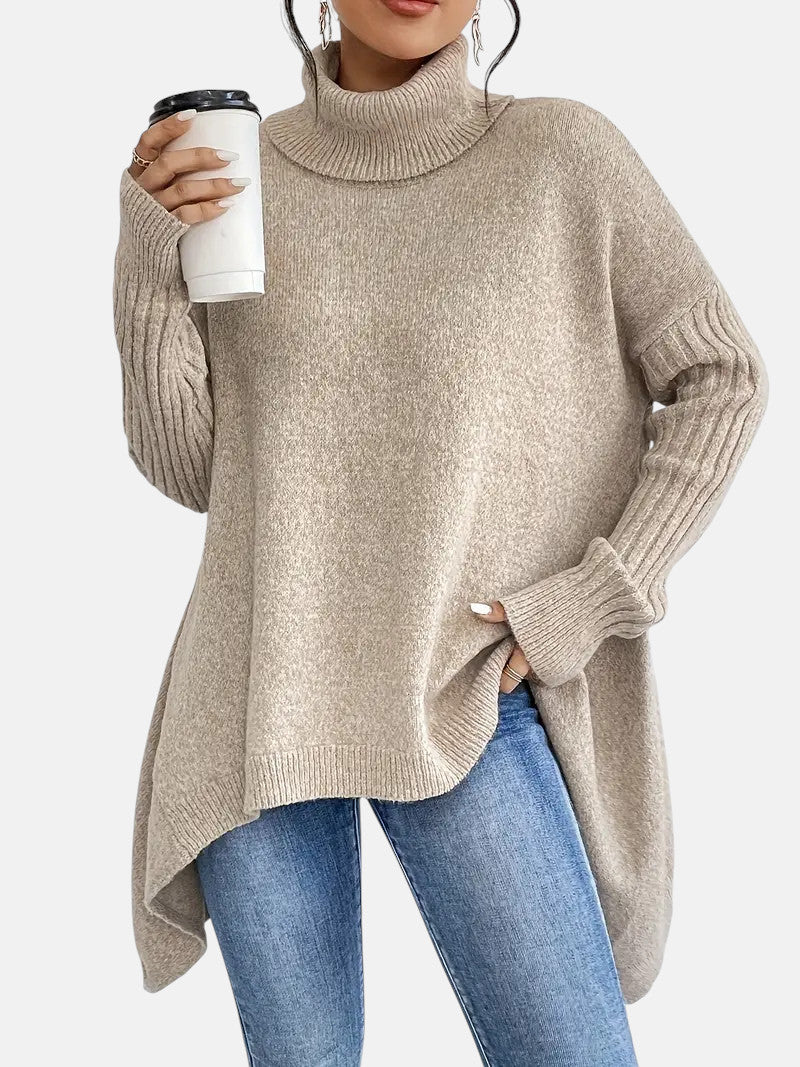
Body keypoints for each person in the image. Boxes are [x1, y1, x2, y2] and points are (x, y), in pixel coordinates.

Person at [112, 1, 768, 1063]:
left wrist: (595, 594)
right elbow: (201, 474)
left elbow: (721, 376)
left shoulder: (562, 155)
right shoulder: (238, 173)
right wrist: (151, 261)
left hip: (466, 686)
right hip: (258, 700)